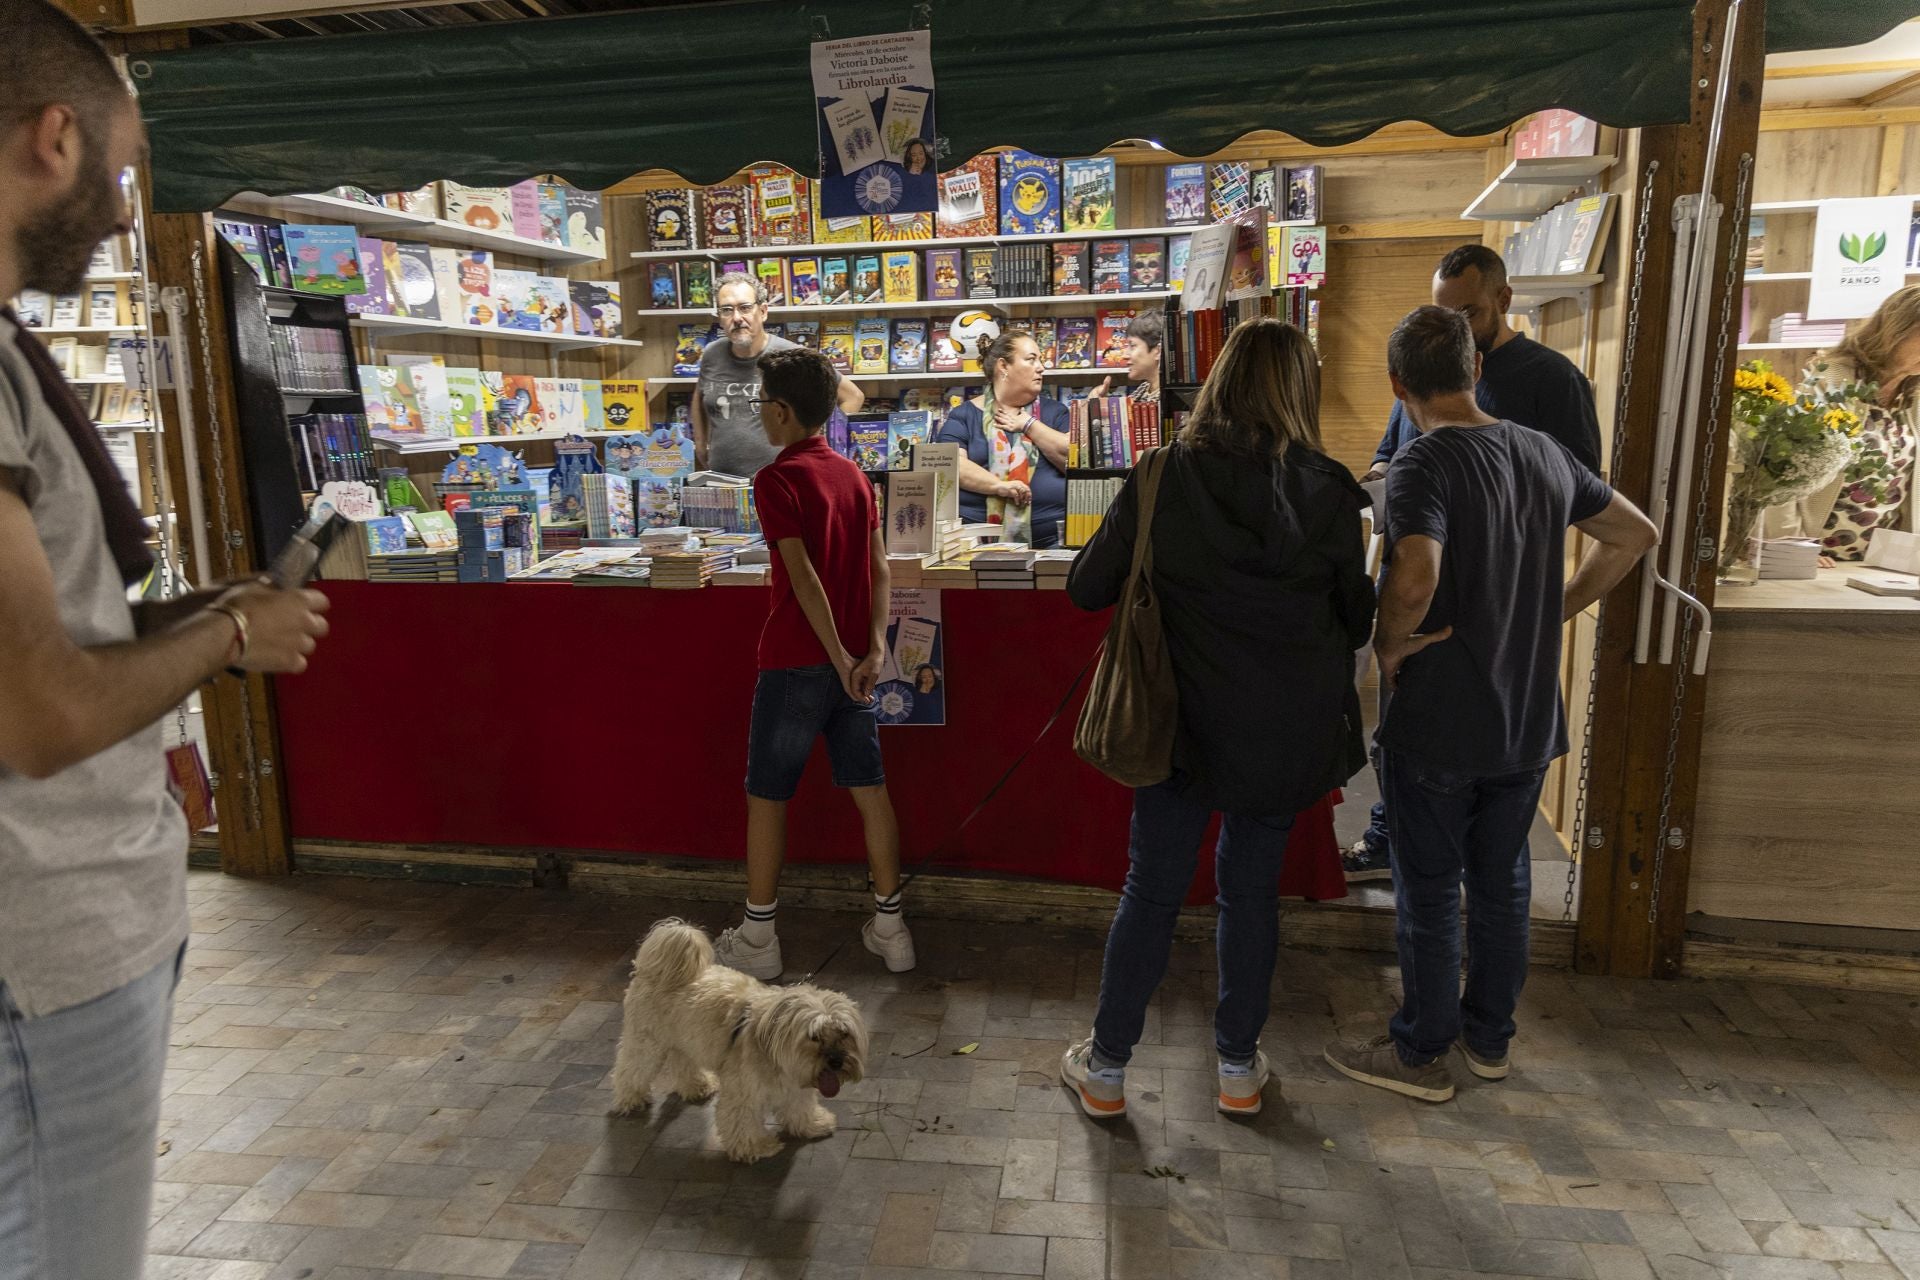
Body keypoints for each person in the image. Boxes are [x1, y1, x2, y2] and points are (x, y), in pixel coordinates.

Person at [0, 6, 335, 1275]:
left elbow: (52, 637)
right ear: (54, 139)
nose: (131, 213)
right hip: (41, 950)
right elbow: (41, 714)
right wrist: (229, 634)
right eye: (127, 174)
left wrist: (201, 617)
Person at [1324, 306, 1655, 1103]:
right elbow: (1636, 533)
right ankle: (1489, 1041)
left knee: (1430, 888)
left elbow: (1414, 577)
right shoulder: (1541, 451)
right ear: (1476, 369)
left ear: (1398, 384)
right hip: (1527, 718)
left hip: (1441, 719)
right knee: (1503, 884)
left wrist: (1390, 643)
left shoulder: (1421, 463)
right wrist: (1559, 606)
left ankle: (1419, 1054)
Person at [1060, 319, 1374, 1120]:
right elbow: (1357, 616)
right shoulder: (1334, 490)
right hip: (1283, 730)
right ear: (1299, 391)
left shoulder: (1164, 474)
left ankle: (1106, 1071)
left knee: (1152, 892)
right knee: (1251, 895)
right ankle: (1237, 1069)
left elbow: (1087, 588)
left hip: (1176, 725)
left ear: (1219, 381)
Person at [1345, 243, 1604, 886]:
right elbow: (1388, 454)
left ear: (1503, 300)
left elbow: (1584, 500)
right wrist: (1386, 484)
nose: (1453, 326)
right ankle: (1387, 835)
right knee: (1421, 774)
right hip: (1425, 615)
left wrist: (1555, 603)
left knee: (1472, 856)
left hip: (1491, 611)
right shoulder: (1428, 372)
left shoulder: (1553, 380)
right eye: (1443, 313)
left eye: (1466, 313)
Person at [712, 347, 913, 979]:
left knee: (768, 796)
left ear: (778, 411)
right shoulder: (853, 475)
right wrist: (872, 651)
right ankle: (892, 927)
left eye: (760, 406)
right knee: (870, 791)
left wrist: (837, 655)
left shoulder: (775, 480)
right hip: (857, 666)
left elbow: (801, 578)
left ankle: (759, 938)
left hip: (799, 660)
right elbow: (880, 568)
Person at [1760, 283, 1919, 561]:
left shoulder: (1912, 395)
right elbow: (1780, 470)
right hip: (1818, 557)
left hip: (1881, 562)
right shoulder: (1831, 380)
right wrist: (1792, 547)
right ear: (1897, 330)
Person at [691, 272, 863, 477]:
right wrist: (700, 443)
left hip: (782, 485)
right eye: (727, 310)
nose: (737, 318)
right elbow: (700, 395)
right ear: (719, 317)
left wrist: (825, 445)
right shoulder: (712, 353)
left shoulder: (791, 357)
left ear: (763, 311)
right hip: (722, 484)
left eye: (745, 308)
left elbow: (853, 396)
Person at [935, 328, 1071, 547]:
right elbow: (950, 466)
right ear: (1003, 366)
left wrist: (1028, 424)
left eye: (1040, 360)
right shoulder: (964, 415)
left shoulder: (1055, 412)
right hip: (977, 545)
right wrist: (999, 486)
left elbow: (1073, 460)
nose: (1041, 367)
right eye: (1031, 359)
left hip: (1052, 543)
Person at [1089, 310, 1164, 406]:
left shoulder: (1172, 401)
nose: (1124, 355)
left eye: (1132, 346)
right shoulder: (1143, 391)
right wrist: (1098, 405)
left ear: (1158, 352)